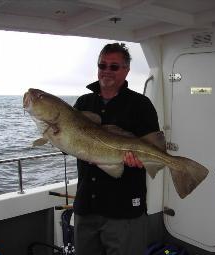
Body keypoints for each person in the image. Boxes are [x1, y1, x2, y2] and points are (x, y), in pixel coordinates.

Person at [73, 43, 160, 255]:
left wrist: (138, 161)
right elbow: (69, 146)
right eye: (102, 65)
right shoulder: (83, 102)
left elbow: (152, 147)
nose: (106, 71)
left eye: (114, 67)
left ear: (126, 70)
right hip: (87, 206)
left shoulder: (141, 105)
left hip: (124, 209)